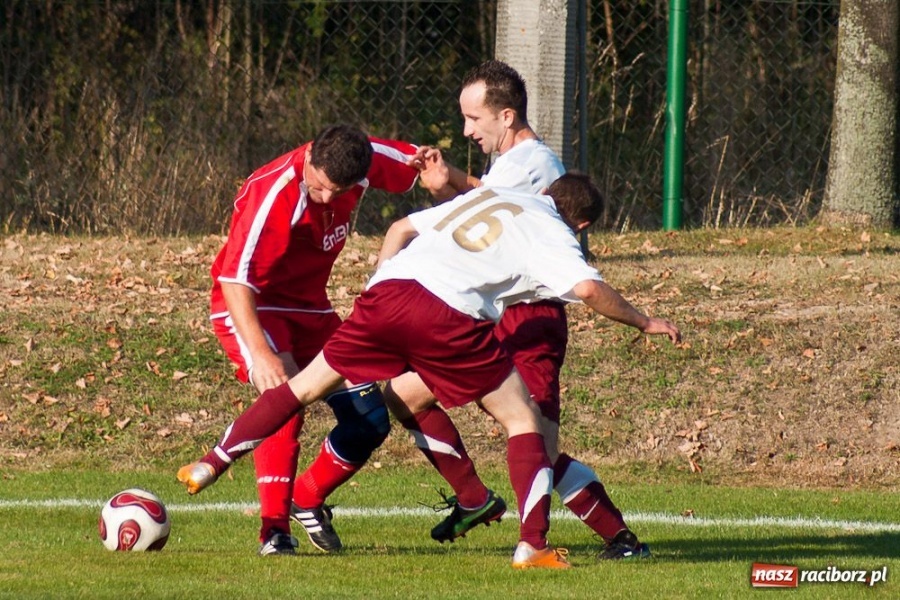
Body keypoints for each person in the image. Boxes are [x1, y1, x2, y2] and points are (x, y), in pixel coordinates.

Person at [178, 173, 681, 570]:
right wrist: (644, 320)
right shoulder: (554, 231)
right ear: (583, 225)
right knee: (522, 420)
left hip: (388, 294)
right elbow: (590, 290)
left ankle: (212, 461)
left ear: (546, 191)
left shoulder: (494, 196)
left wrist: (381, 284)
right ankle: (532, 546)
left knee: (305, 387)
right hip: (448, 315)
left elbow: (405, 228)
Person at [386, 60, 654, 559]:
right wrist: (449, 182)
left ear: (506, 116)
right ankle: (475, 498)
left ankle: (602, 541)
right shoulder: (511, 165)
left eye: (474, 119)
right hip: (493, 317)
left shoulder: (535, 164)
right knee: (403, 397)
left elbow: (501, 214)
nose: (467, 130)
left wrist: (643, 320)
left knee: (540, 444)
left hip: (532, 318)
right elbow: (486, 209)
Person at [209, 124, 419, 556]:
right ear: (308, 159)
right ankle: (274, 530)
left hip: (311, 310)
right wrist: (263, 354)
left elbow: (425, 165)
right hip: (253, 308)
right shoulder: (273, 193)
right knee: (283, 399)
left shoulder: (360, 157)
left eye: (337, 191)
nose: (325, 198)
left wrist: (483, 193)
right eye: (319, 186)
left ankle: (307, 497)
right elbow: (234, 281)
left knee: (370, 418)